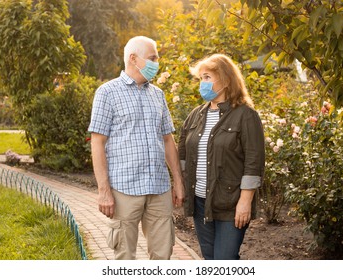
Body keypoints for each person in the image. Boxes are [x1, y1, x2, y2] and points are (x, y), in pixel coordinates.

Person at [88, 36, 185, 260]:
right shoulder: (107, 92)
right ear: (133, 58)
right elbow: (98, 142)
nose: (157, 63)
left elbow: (168, 139)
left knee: (163, 256)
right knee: (125, 257)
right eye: (152, 58)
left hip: (159, 188)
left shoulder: (158, 95)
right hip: (124, 190)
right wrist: (104, 192)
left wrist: (177, 181)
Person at [178, 54, 265, 260]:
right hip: (200, 202)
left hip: (231, 203)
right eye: (201, 78)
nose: (203, 83)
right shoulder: (195, 115)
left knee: (225, 260)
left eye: (207, 77)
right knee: (210, 260)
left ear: (225, 80)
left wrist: (245, 201)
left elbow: (254, 162)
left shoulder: (245, 115)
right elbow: (183, 153)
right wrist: (181, 184)